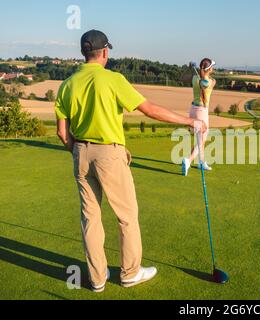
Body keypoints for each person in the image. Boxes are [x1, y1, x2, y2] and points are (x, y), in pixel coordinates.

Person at [55, 30, 206, 292]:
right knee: (126, 216)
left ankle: (97, 279)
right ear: (104, 52)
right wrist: (191, 121)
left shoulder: (67, 84)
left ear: (84, 53)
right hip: (109, 154)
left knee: (90, 218)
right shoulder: (113, 79)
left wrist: (77, 151)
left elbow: (61, 131)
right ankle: (130, 273)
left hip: (80, 152)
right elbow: (149, 109)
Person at [181, 58, 217, 176]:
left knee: (200, 138)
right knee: (201, 140)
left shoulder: (195, 78)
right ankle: (188, 160)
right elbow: (208, 83)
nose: (213, 68)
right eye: (212, 66)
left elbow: (183, 78)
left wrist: (190, 69)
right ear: (208, 69)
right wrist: (202, 79)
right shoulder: (211, 81)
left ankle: (201, 162)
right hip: (202, 111)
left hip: (193, 109)